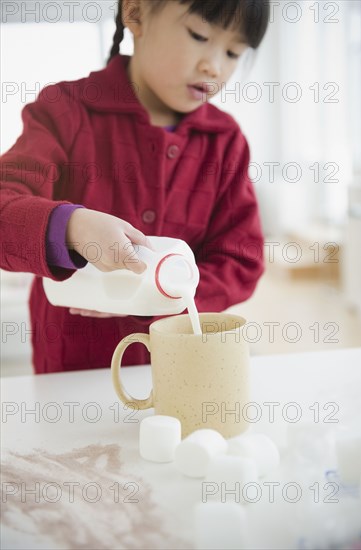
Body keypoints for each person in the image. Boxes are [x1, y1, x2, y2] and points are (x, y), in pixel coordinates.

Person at [0, 0, 269, 374]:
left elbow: (241, 258)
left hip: (180, 367)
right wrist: (73, 228)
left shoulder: (225, 141)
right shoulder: (64, 111)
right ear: (136, 13)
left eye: (233, 52)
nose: (215, 66)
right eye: (199, 35)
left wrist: (159, 294)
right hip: (73, 373)